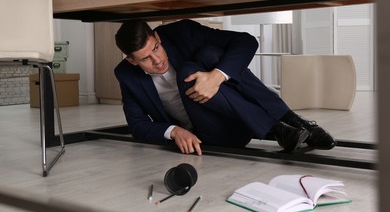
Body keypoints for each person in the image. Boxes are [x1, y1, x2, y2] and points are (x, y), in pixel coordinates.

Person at [114, 19, 336, 156]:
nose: (157, 60)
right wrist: (174, 131)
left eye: (156, 48)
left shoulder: (182, 33)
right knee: (188, 72)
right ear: (132, 61)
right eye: (145, 59)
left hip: (238, 116)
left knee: (209, 56)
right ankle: (278, 127)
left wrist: (217, 77)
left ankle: (288, 126)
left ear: (158, 36)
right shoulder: (126, 74)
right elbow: (137, 125)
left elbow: (246, 42)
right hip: (211, 133)